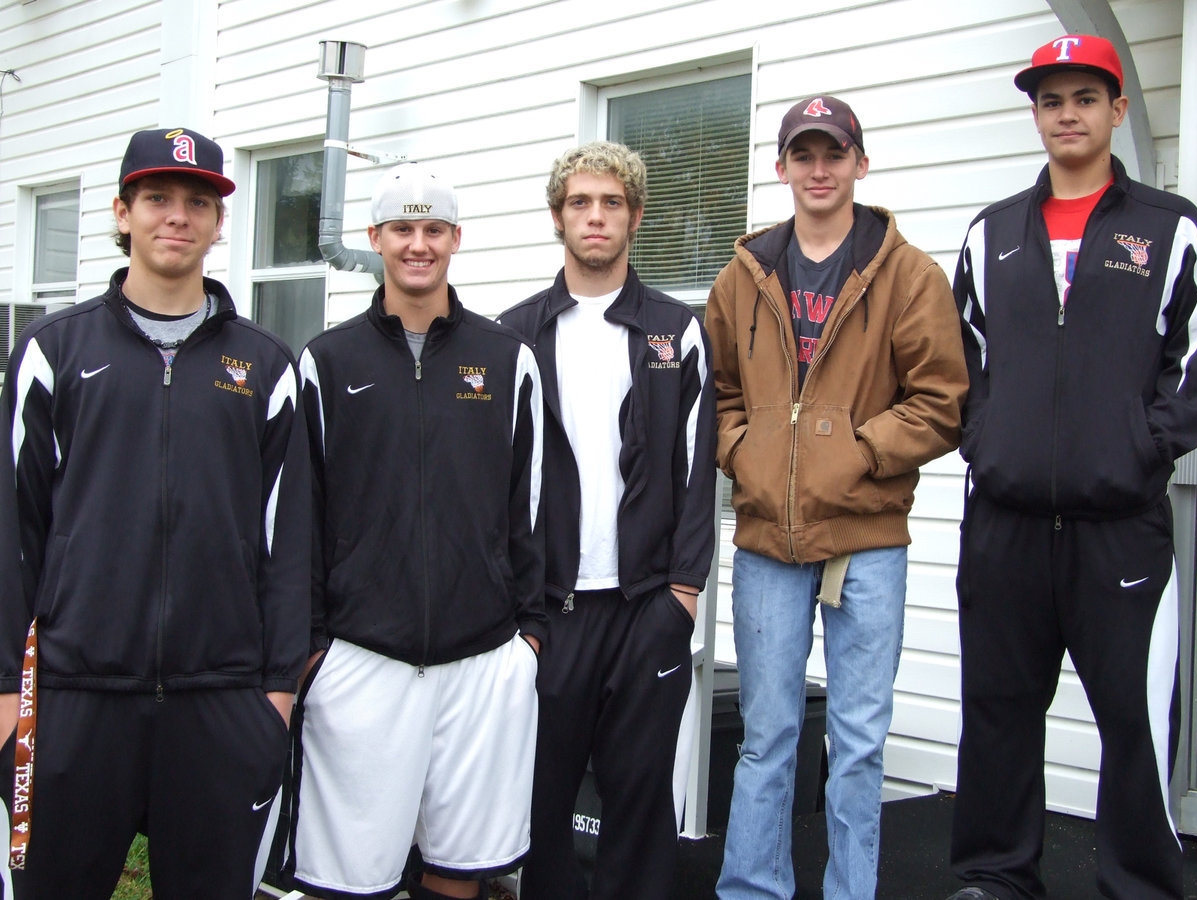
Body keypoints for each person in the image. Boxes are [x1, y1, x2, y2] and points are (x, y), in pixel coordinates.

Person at [0, 127, 310, 898]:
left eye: (197, 202)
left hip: (220, 700)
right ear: (123, 212)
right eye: (158, 199)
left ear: (217, 223)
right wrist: (8, 691)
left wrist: (274, 695)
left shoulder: (264, 364)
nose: (178, 216)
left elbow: (290, 536)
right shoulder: (54, 351)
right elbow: (12, 528)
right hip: (74, 699)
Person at [946, 34, 1197, 900]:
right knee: (999, 711)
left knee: (1131, 720)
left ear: (1117, 110)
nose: (1067, 114)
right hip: (1006, 522)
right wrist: (989, 440)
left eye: (1085, 98)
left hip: (1119, 524)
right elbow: (961, 363)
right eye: (1052, 100)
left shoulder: (1170, 229)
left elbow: (1196, 360)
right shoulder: (991, 233)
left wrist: (1144, 443)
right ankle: (996, 875)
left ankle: (1139, 883)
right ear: (1036, 114)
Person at [705, 96, 967, 900]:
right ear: (782, 167)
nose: (819, 170)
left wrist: (856, 454)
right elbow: (716, 395)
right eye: (803, 154)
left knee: (857, 741)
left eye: (834, 153)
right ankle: (753, 888)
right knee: (767, 737)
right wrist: (743, 453)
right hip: (766, 542)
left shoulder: (908, 272)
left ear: (861, 162)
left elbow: (942, 400)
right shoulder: (742, 274)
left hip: (868, 540)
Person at [280, 163, 546, 900]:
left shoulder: (506, 358)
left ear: (457, 239)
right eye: (402, 229)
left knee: (459, 868)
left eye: (434, 230)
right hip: (362, 658)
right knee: (347, 876)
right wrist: (311, 651)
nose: (418, 244)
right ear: (374, 239)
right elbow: (302, 513)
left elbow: (531, 507)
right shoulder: (327, 362)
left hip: (483, 659)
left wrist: (529, 638)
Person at [497, 141, 716, 900]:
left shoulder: (675, 331)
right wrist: (516, 609)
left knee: (639, 798)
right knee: (542, 801)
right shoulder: (514, 334)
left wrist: (681, 596)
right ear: (558, 216)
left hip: (644, 608)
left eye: (612, 203)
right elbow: (497, 485)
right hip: (548, 614)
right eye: (581, 203)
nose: (596, 217)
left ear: (636, 216)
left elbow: (697, 470)